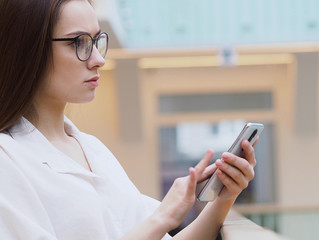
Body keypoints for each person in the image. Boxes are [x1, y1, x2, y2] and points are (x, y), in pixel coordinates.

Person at [0, 0, 258, 239]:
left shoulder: (93, 149)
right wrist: (163, 217)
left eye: (97, 40)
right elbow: (152, 228)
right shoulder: (8, 159)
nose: (98, 60)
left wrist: (224, 197)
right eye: (78, 42)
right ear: (28, 49)